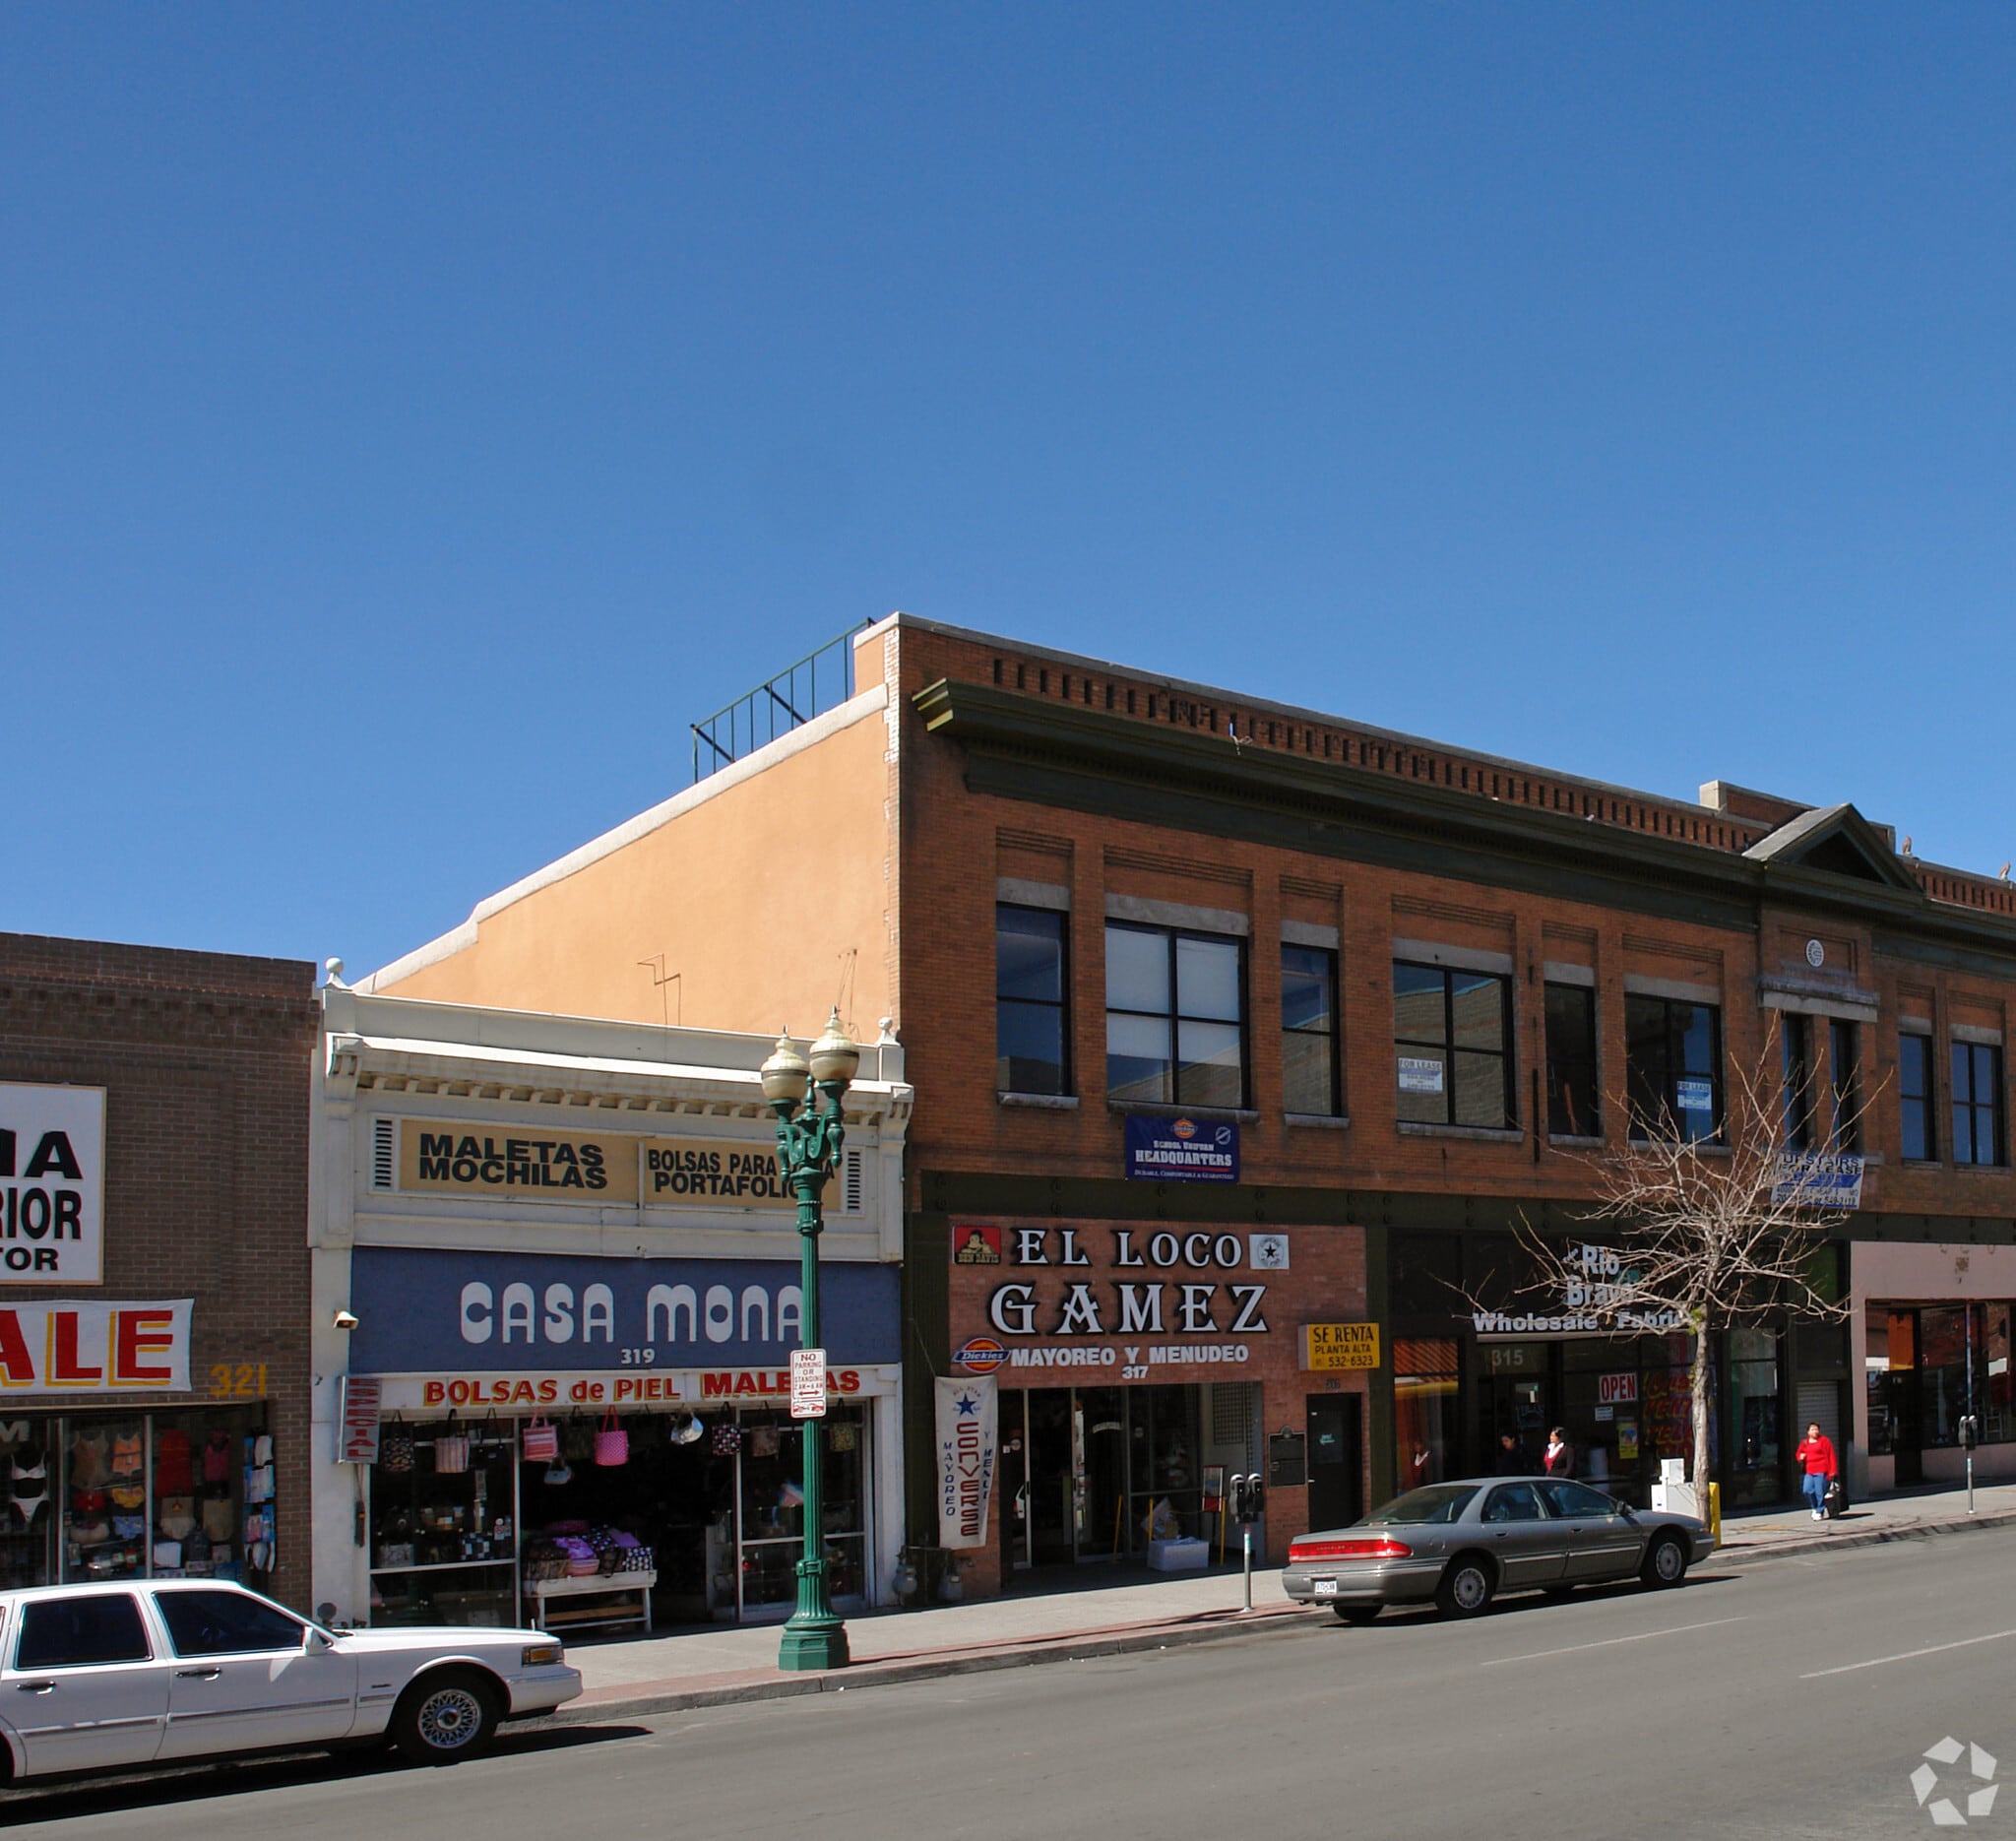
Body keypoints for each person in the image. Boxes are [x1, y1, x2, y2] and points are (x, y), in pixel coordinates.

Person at [1795, 1422, 1839, 1520]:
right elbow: (1799, 1454)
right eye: (1813, 1429)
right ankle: (1814, 1506)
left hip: (1821, 1470)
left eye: (1816, 1429)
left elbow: (1831, 1456)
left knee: (1820, 1492)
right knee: (1807, 1490)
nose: (1815, 1431)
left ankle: (1820, 1511)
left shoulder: (1824, 1441)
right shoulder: (1804, 1443)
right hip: (1809, 1471)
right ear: (1808, 1432)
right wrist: (1800, 1457)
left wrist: (1833, 1471)